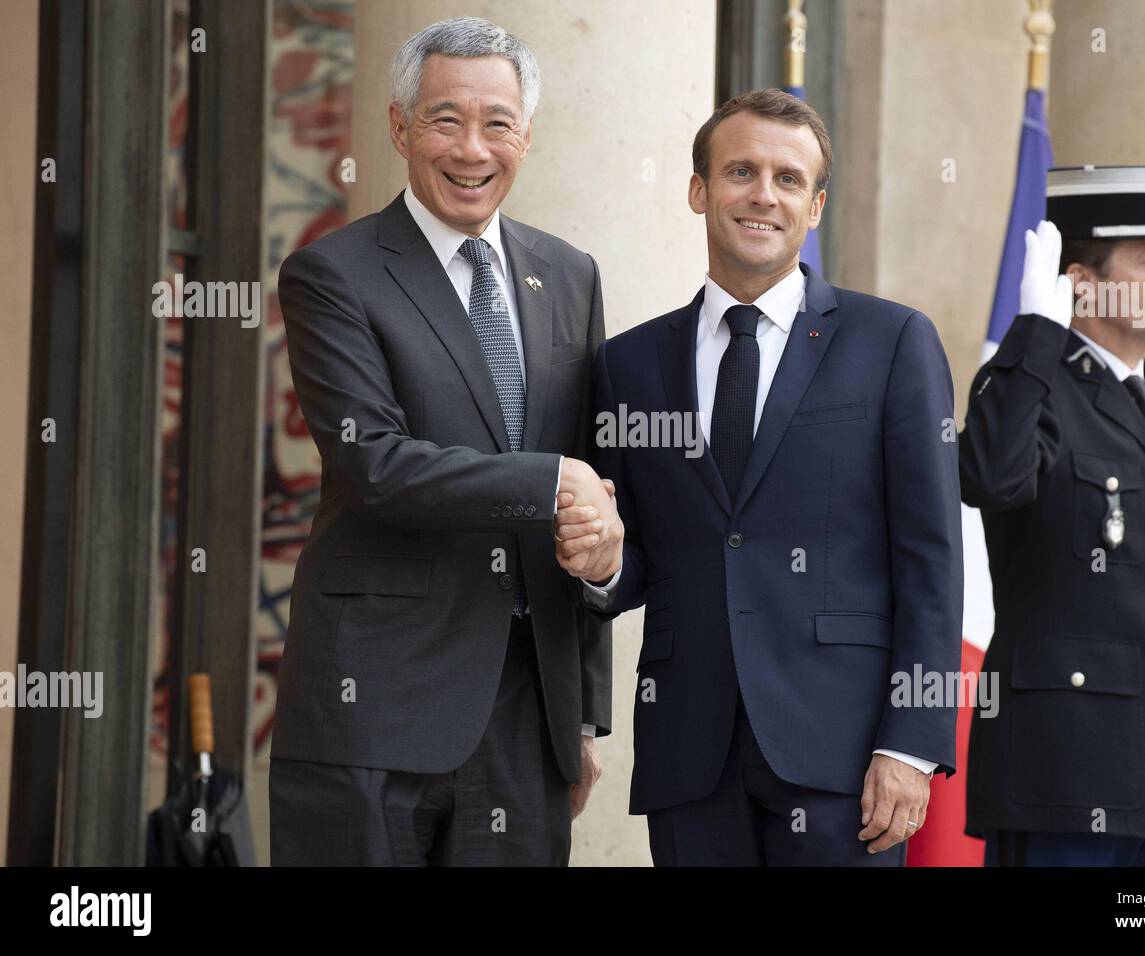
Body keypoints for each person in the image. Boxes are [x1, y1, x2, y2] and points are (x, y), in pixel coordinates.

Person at [555, 89, 963, 866]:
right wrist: (603, 563)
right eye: (741, 171)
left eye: (787, 178)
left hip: (848, 760)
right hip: (689, 751)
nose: (762, 194)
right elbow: (631, 557)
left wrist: (911, 746)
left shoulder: (893, 343)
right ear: (699, 189)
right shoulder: (629, 364)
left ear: (814, 206)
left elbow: (933, 563)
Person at [269, 16, 619, 866]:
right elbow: (375, 466)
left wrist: (578, 711)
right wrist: (550, 485)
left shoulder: (569, 275)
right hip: (376, 712)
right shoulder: (334, 274)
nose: (473, 148)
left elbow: (592, 485)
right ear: (398, 128)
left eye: (497, 123)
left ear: (525, 136)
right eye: (444, 119)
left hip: (525, 720)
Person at [960, 165, 1145, 866]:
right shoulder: (1030, 383)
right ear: (1084, 279)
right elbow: (987, 476)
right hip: (1059, 772)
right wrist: (1038, 333)